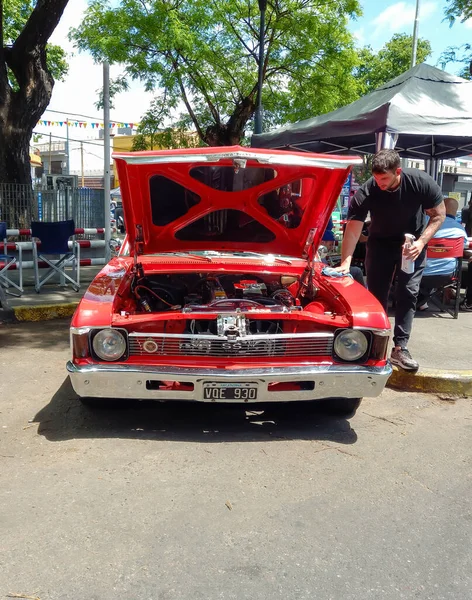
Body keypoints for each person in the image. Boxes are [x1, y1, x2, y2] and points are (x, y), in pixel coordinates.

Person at [335, 149, 445, 371]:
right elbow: (354, 228)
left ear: (398, 171)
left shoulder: (420, 182)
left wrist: (422, 242)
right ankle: (372, 346)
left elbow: (439, 214)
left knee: (408, 293)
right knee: (376, 296)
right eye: (376, 178)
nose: (380, 183)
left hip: (411, 244)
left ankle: (400, 349)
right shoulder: (368, 191)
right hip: (380, 244)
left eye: (384, 178)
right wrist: (345, 262)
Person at [416, 197, 468, 310]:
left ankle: (419, 300)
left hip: (421, 271)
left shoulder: (426, 223)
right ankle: (423, 301)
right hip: (448, 274)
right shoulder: (459, 229)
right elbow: (464, 246)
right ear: (455, 211)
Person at [321, 217, 365, 286]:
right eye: (330, 245)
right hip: (325, 273)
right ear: (323, 242)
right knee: (357, 271)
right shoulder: (319, 252)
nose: (331, 247)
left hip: (326, 269)